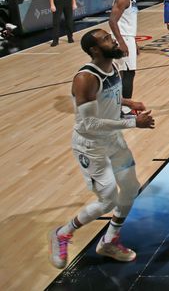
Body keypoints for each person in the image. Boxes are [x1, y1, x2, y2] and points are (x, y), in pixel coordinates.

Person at [48, 29, 155, 270]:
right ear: (95, 50)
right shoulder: (85, 78)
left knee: (129, 189)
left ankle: (110, 240)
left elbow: (110, 99)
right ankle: (62, 233)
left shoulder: (113, 67)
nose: (113, 40)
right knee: (107, 201)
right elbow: (89, 123)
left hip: (113, 139)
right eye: (107, 39)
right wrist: (132, 122)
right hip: (91, 145)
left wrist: (129, 103)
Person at [109, 0, 140, 102]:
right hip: (123, 38)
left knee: (122, 73)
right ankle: (126, 108)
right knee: (128, 73)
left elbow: (128, 23)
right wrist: (121, 42)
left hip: (128, 37)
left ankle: (117, 104)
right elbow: (112, 21)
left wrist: (134, 42)